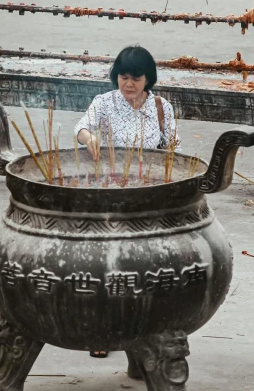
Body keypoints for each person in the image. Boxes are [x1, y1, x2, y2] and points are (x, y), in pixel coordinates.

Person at [73, 45, 180, 359]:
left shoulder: (162, 108)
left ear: (148, 78)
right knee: (107, 266)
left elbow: (172, 149)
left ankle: (142, 334)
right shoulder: (104, 103)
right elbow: (81, 127)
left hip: (147, 197)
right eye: (123, 76)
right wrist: (88, 137)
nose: (128, 83)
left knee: (145, 268)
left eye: (135, 77)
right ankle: (101, 331)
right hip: (110, 195)